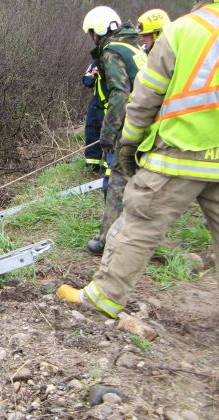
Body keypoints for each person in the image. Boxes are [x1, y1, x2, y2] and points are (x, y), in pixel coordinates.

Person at [57, 1, 219, 318]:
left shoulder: (184, 31)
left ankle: (104, 296)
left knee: (138, 221)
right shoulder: (132, 47)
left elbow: (141, 96)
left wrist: (126, 142)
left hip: (182, 149)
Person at [81, 6, 147, 255]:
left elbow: (120, 92)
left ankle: (107, 238)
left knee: (117, 180)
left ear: (99, 31)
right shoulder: (133, 47)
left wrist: (109, 131)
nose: (93, 39)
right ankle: (136, 234)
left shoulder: (111, 52)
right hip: (150, 121)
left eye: (92, 33)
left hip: (131, 123)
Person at [82, 62, 105, 173]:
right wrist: (93, 74)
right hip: (96, 102)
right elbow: (86, 81)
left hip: (113, 102)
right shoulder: (95, 63)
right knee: (91, 130)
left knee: (111, 134)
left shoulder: (117, 60)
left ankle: (109, 165)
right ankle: (92, 164)